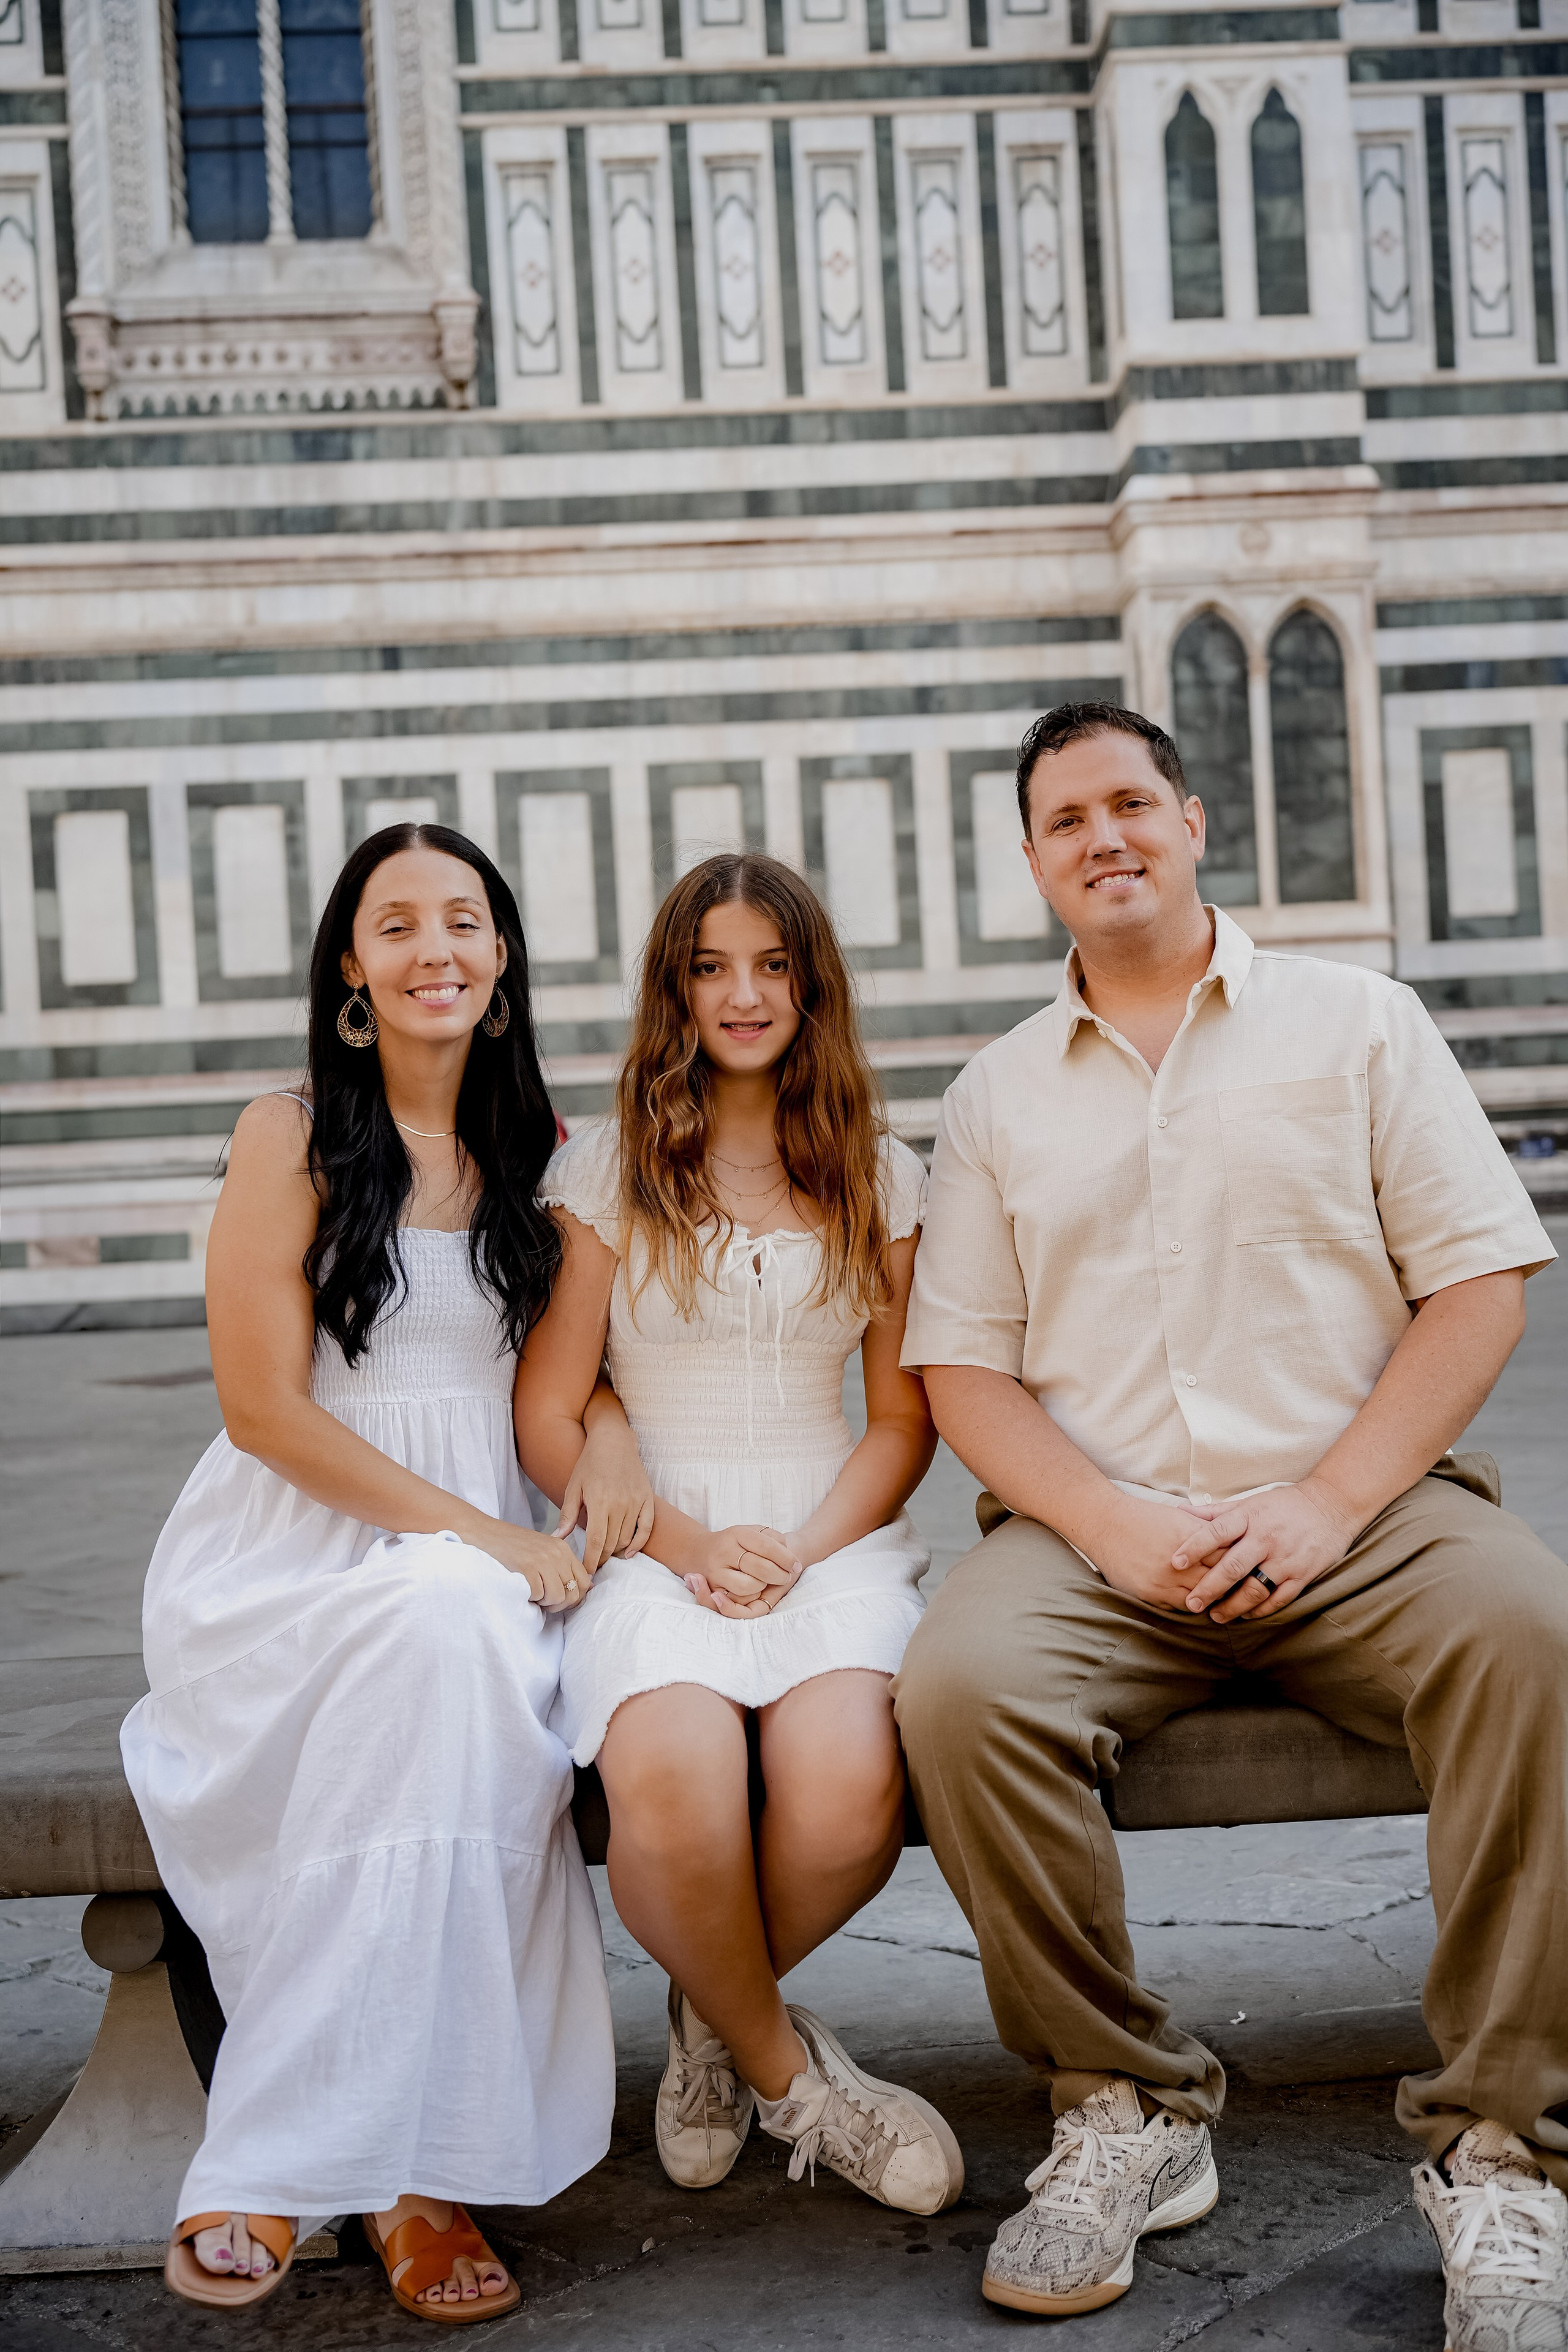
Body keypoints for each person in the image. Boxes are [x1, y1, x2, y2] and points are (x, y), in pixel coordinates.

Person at [894, 703, 1567, 2344]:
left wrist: (1334, 1499)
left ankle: (1499, 2147)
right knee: (959, 1693)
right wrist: (1113, 1529)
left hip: (1363, 1511)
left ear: (1194, 823)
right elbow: (963, 1374)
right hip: (1096, 1540)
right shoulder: (995, 1098)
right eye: (1067, 819)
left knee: (1537, 1639)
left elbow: (1480, 1280)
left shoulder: (1360, 1023)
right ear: (1037, 863)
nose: (1104, 836)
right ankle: (1123, 2104)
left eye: (1132, 802)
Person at [122, 824, 655, 2320]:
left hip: (494, 1570)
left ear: (499, 963)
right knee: (439, 1620)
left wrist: (603, 1439)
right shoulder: (284, 1134)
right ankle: (402, 2181)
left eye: (464, 922)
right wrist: (479, 1540)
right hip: (298, 1551)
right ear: (350, 968)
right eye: (398, 924)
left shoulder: (540, 1150)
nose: (436, 949)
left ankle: (302, 2163)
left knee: (452, 1649)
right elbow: (262, 1410)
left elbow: (572, 1365)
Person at [515, 850, 964, 2220]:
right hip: (649, 1533)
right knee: (676, 1785)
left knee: (843, 1794)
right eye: (710, 966)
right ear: (674, 989)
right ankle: (795, 2081)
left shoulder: (879, 1172)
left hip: (825, 1527)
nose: (743, 992)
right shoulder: (604, 1167)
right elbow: (548, 1408)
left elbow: (900, 1421)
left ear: (809, 983)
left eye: (771, 964)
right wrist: (681, 1542)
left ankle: (709, 2007)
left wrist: (801, 1547)